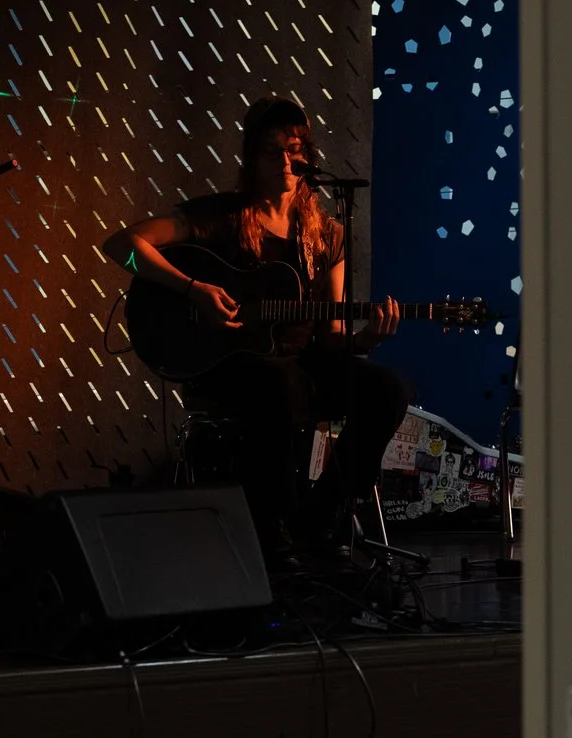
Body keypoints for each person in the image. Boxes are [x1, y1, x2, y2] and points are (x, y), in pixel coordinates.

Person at [104, 97, 410, 556]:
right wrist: (192, 289)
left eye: (294, 149)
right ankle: (272, 532)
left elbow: (330, 335)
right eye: (271, 151)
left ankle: (322, 515)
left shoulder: (328, 236)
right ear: (252, 159)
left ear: (308, 156)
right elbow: (121, 245)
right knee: (281, 387)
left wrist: (365, 338)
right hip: (234, 367)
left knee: (388, 390)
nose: (285, 161)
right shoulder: (221, 216)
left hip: (301, 366)